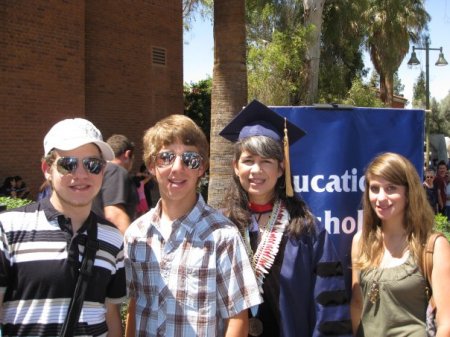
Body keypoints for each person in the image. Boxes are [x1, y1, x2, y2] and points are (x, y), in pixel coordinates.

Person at [220, 100, 352, 337]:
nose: (256, 170)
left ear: (281, 169)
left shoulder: (306, 230)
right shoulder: (221, 226)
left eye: (266, 161)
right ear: (235, 167)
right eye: (248, 160)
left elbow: (328, 305)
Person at [124, 114, 262, 337]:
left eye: (190, 160)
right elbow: (135, 304)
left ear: (202, 168)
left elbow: (237, 319)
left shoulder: (222, 235)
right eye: (166, 157)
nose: (177, 168)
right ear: (151, 165)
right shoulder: (136, 234)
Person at [0, 118, 126, 336]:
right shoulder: (9, 228)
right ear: (47, 169)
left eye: (92, 164)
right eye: (67, 164)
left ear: (103, 171)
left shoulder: (113, 239)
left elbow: (111, 313)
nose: (80, 174)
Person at [350, 152, 450, 336]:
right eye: (374, 188)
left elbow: (446, 323)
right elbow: (357, 304)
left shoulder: (433, 246)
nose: (380, 198)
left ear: (408, 192)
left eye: (391, 188)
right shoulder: (361, 241)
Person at [92, 134, 139, 234]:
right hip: (110, 242)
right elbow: (114, 215)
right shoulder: (115, 171)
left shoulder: (98, 169)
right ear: (127, 154)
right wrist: (133, 247)